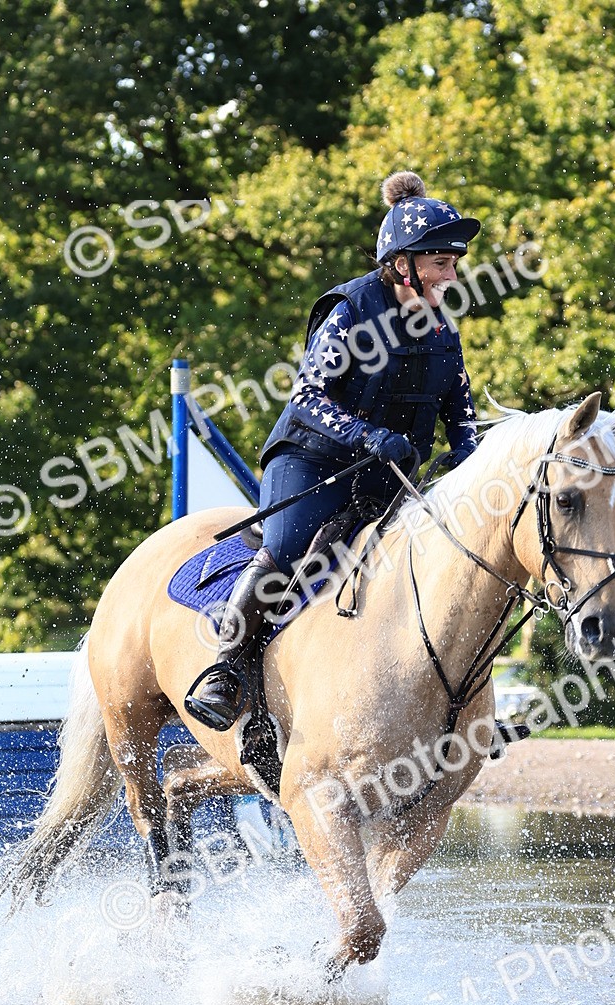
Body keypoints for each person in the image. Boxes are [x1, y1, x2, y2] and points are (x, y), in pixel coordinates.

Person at [185, 170, 482, 731]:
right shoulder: (348, 311)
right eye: (441, 262)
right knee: (288, 548)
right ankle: (227, 669)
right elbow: (307, 396)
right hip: (313, 461)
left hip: (388, 474)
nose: (452, 273)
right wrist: (368, 436)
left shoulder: (444, 331)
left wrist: (469, 458)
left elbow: (461, 418)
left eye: (453, 262)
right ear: (403, 265)